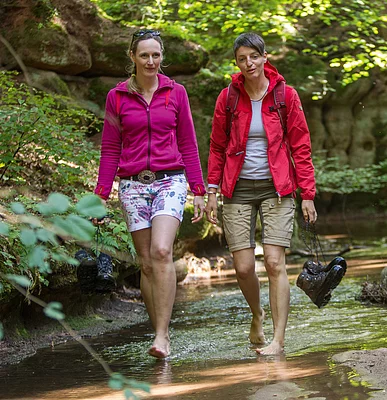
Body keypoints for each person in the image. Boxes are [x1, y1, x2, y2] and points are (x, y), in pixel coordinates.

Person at [94, 29, 206, 359]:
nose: (151, 61)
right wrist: (100, 195)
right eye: (144, 55)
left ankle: (162, 335)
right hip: (131, 185)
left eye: (156, 55)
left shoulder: (176, 92)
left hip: (170, 180)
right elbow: (110, 148)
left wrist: (198, 189)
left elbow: (187, 141)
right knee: (145, 264)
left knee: (160, 251)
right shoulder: (117, 97)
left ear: (162, 57)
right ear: (132, 57)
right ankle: (158, 330)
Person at [205, 32, 317, 355]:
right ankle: (257, 314)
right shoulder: (228, 97)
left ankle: (278, 341)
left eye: (254, 56)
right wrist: (212, 190)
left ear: (265, 57)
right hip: (237, 187)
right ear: (237, 63)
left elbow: (301, 144)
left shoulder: (285, 96)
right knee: (242, 267)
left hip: (278, 188)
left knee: (273, 261)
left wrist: (306, 193)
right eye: (242, 58)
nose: (249, 63)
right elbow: (217, 147)